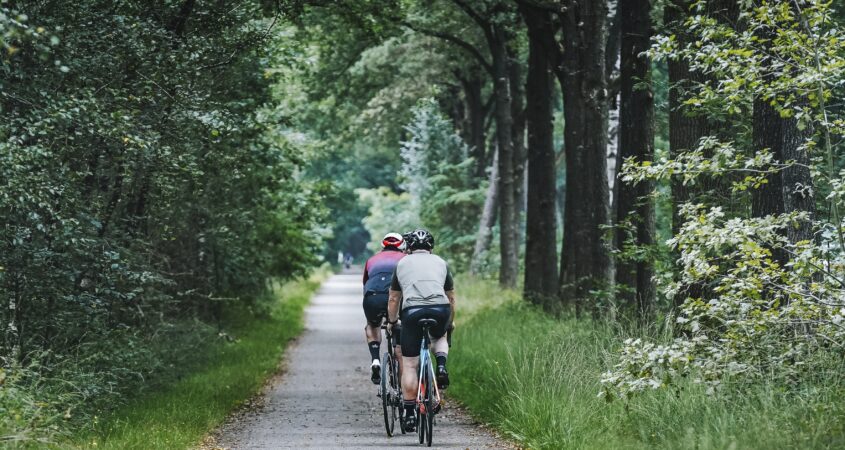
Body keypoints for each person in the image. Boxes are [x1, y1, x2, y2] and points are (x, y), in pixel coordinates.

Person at [387, 229, 455, 433]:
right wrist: (450, 320)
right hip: (440, 308)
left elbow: (393, 299)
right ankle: (441, 365)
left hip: (412, 311)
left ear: (409, 247)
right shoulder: (441, 262)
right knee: (440, 335)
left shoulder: (402, 264)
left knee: (409, 363)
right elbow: (451, 297)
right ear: (431, 247)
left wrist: (392, 321)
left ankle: (409, 415)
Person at [362, 232, 406, 384]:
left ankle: (375, 359)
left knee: (372, 325)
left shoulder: (371, 260)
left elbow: (365, 283)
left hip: (372, 297)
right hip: (394, 297)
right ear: (402, 245)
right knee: (398, 327)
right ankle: (403, 387)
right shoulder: (405, 259)